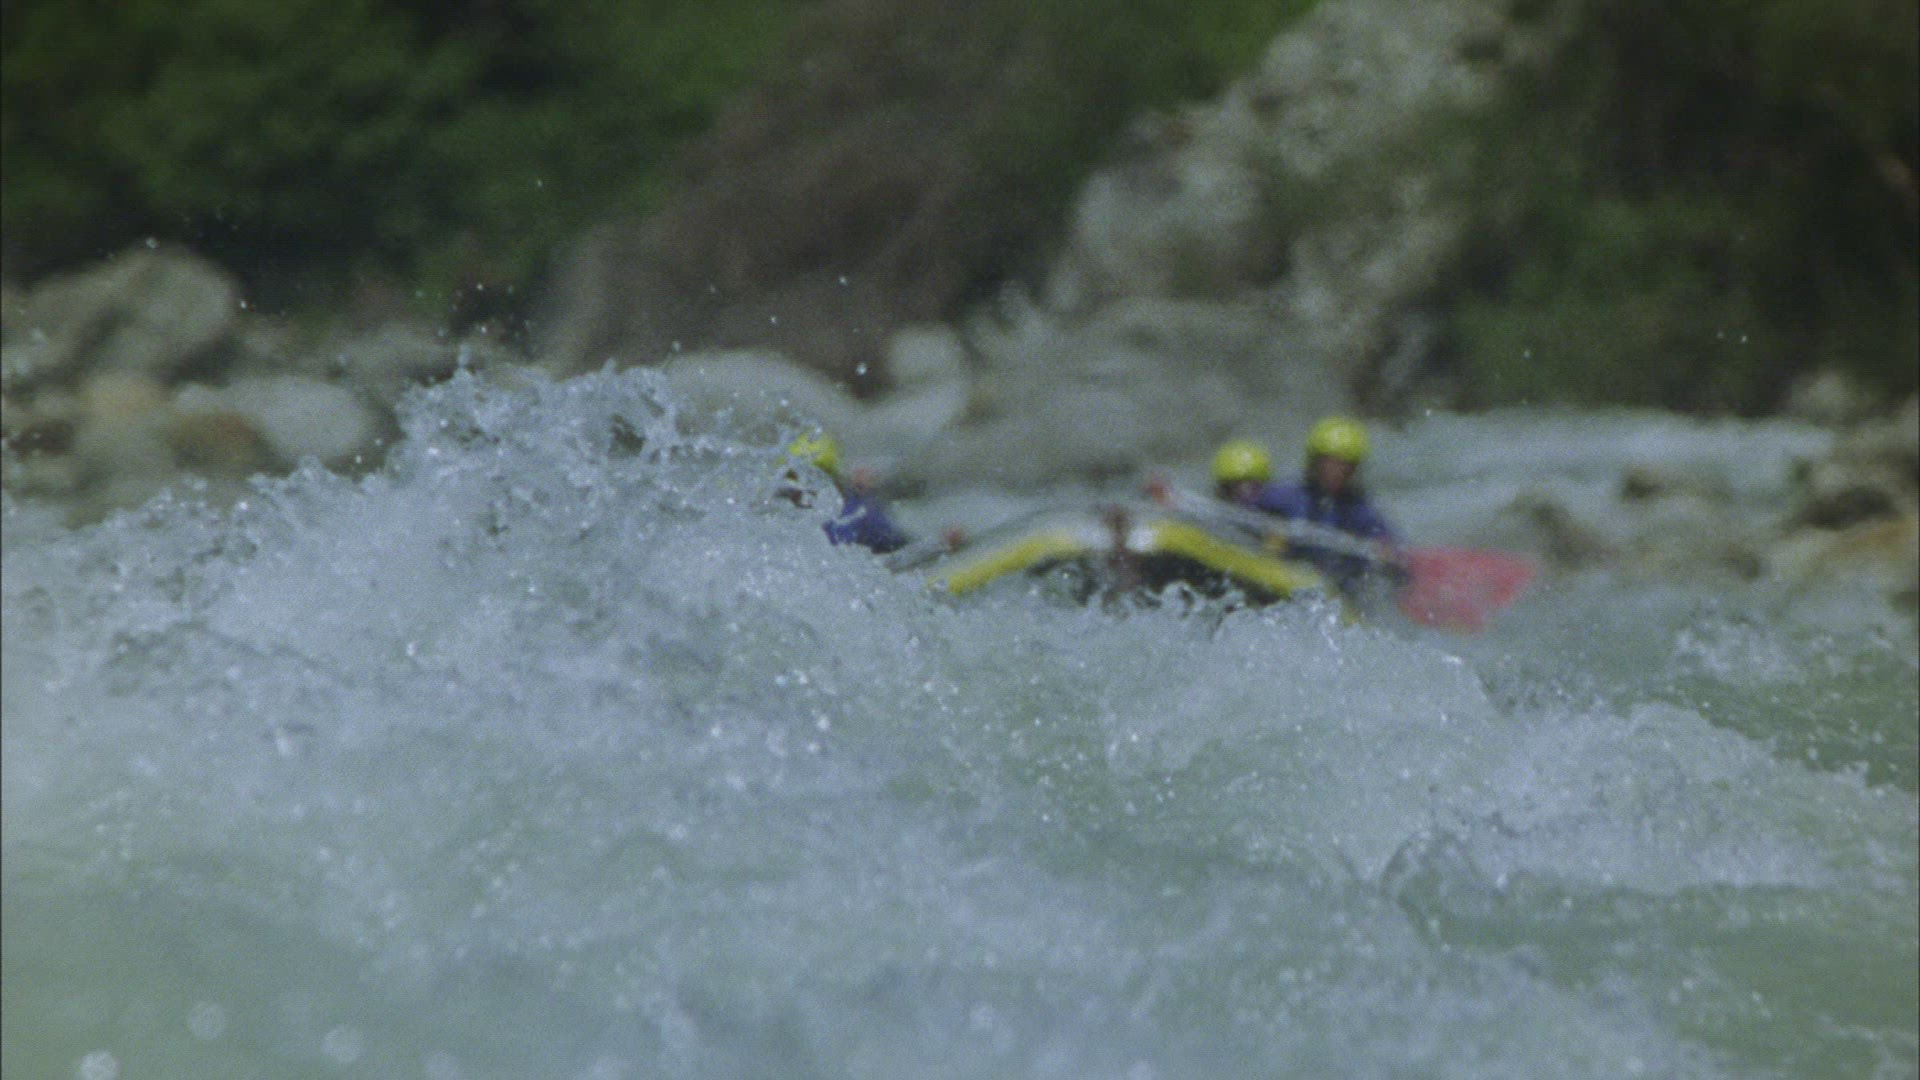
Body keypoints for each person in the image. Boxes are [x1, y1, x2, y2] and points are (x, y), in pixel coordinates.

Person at [1210, 418, 1401, 594]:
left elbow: (1388, 543)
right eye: (1330, 463)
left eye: (1345, 466)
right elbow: (1240, 510)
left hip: (1336, 589)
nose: (1336, 472)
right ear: (1315, 462)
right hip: (1287, 571)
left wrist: (1386, 552)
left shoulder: (1360, 511)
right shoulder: (1288, 496)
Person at [784, 432, 914, 555]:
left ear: (833, 482)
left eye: (810, 481)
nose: (799, 489)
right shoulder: (786, 516)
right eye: (792, 479)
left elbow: (904, 547)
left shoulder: (860, 514)